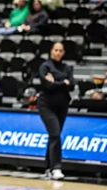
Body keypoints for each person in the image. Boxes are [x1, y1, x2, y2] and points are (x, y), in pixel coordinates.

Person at [38, 42, 75, 180]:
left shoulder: (67, 68)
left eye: (61, 50)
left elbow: (72, 85)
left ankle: (48, 167)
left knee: (54, 136)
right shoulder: (45, 66)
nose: (58, 52)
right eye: (56, 50)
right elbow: (47, 85)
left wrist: (56, 81)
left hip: (62, 106)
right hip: (46, 105)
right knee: (55, 133)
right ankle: (56, 168)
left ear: (64, 52)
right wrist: (62, 82)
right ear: (51, 51)